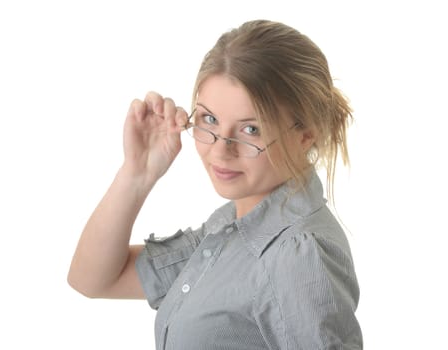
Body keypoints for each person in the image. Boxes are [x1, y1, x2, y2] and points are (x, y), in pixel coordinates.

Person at [68, 19, 363, 349]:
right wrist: (137, 173)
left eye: (251, 129)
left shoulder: (298, 254)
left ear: (305, 135)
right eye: (209, 119)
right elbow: (92, 280)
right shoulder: (228, 229)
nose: (221, 150)